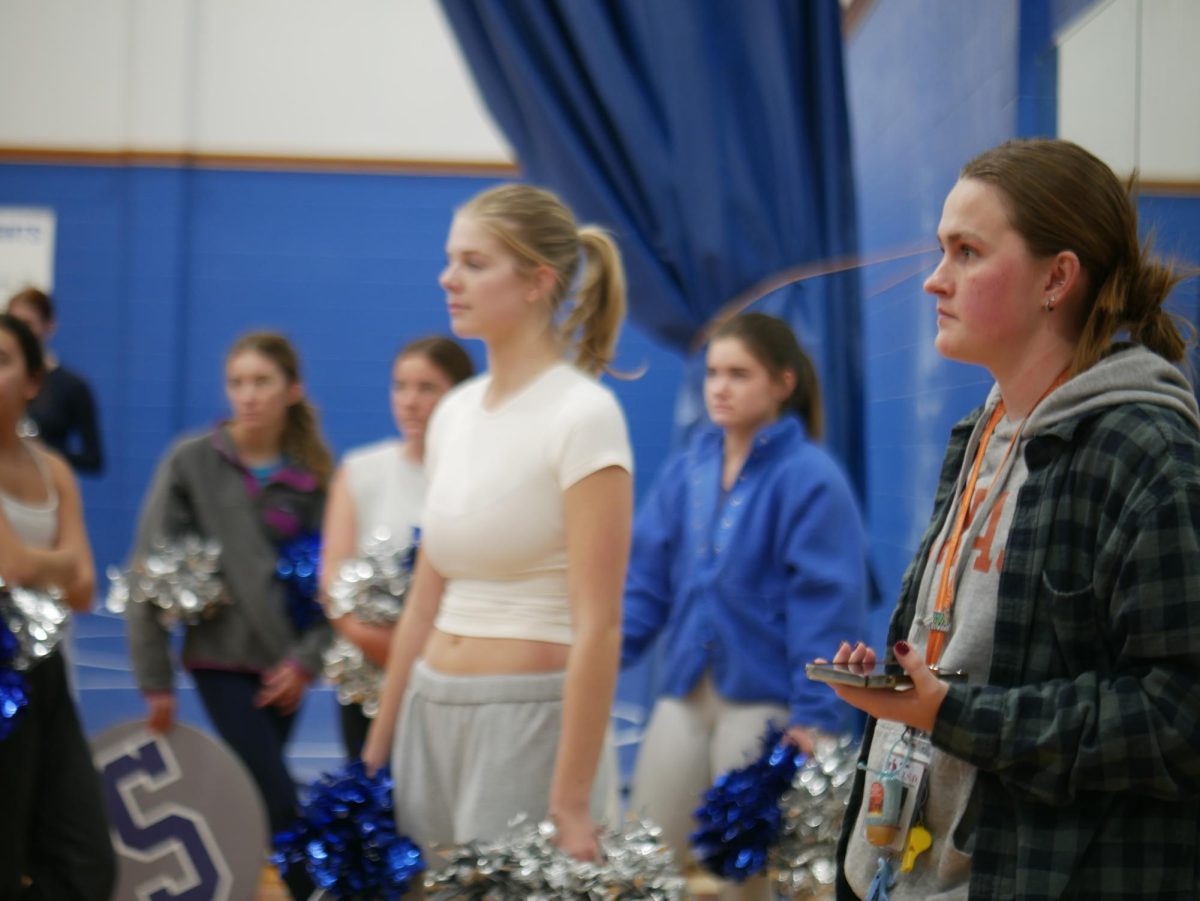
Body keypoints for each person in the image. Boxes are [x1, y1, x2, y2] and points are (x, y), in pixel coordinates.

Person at [830, 138, 1200, 899]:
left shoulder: (1147, 451)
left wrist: (955, 711)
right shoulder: (980, 432)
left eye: (967, 252)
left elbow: (1177, 716)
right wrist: (908, 685)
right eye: (942, 250)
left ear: (1056, 278)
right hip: (908, 872)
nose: (936, 279)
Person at [361, 183, 633, 869]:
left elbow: (598, 624)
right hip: (429, 710)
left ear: (538, 280)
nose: (448, 278)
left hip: (527, 725)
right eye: (451, 259)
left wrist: (570, 799)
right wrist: (376, 746)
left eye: (474, 263)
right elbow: (425, 596)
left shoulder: (583, 414)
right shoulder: (453, 410)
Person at [622, 312, 869, 901]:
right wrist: (597, 654)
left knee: (747, 873)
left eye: (739, 373)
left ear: (783, 383)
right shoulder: (687, 469)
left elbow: (826, 608)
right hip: (684, 689)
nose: (720, 387)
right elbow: (645, 583)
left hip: (766, 702)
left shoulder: (811, 477)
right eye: (712, 373)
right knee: (646, 853)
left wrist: (814, 717)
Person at [126, 332, 332, 901]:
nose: (248, 395)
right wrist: (154, 677)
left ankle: (246, 885)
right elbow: (148, 567)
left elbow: (334, 587)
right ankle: (307, 888)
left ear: (293, 390)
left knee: (255, 797)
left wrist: (306, 662)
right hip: (219, 660)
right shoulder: (191, 461)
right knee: (276, 796)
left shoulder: (314, 476)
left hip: (286, 670)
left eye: (262, 381)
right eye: (238, 382)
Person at [0, 313, 116, 900]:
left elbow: (84, 586)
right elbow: (18, 563)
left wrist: (38, 565)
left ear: (32, 382)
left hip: (46, 676)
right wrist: (52, 562)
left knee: (86, 861)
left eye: (1, 360)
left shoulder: (55, 471)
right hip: (2, 681)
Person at [319, 335, 473, 758]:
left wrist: (430, 664)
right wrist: (395, 654)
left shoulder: (476, 478)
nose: (410, 401)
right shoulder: (360, 470)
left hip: (451, 681)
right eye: (400, 386)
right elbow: (332, 582)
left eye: (427, 388)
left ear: (460, 395)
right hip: (367, 682)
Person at [6, 288, 104, 475]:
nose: (20, 332)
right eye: (14, 324)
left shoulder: (73, 385)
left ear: (49, 325)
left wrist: (45, 451)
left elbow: (94, 459)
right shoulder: (5, 381)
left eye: (27, 324)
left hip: (48, 485)